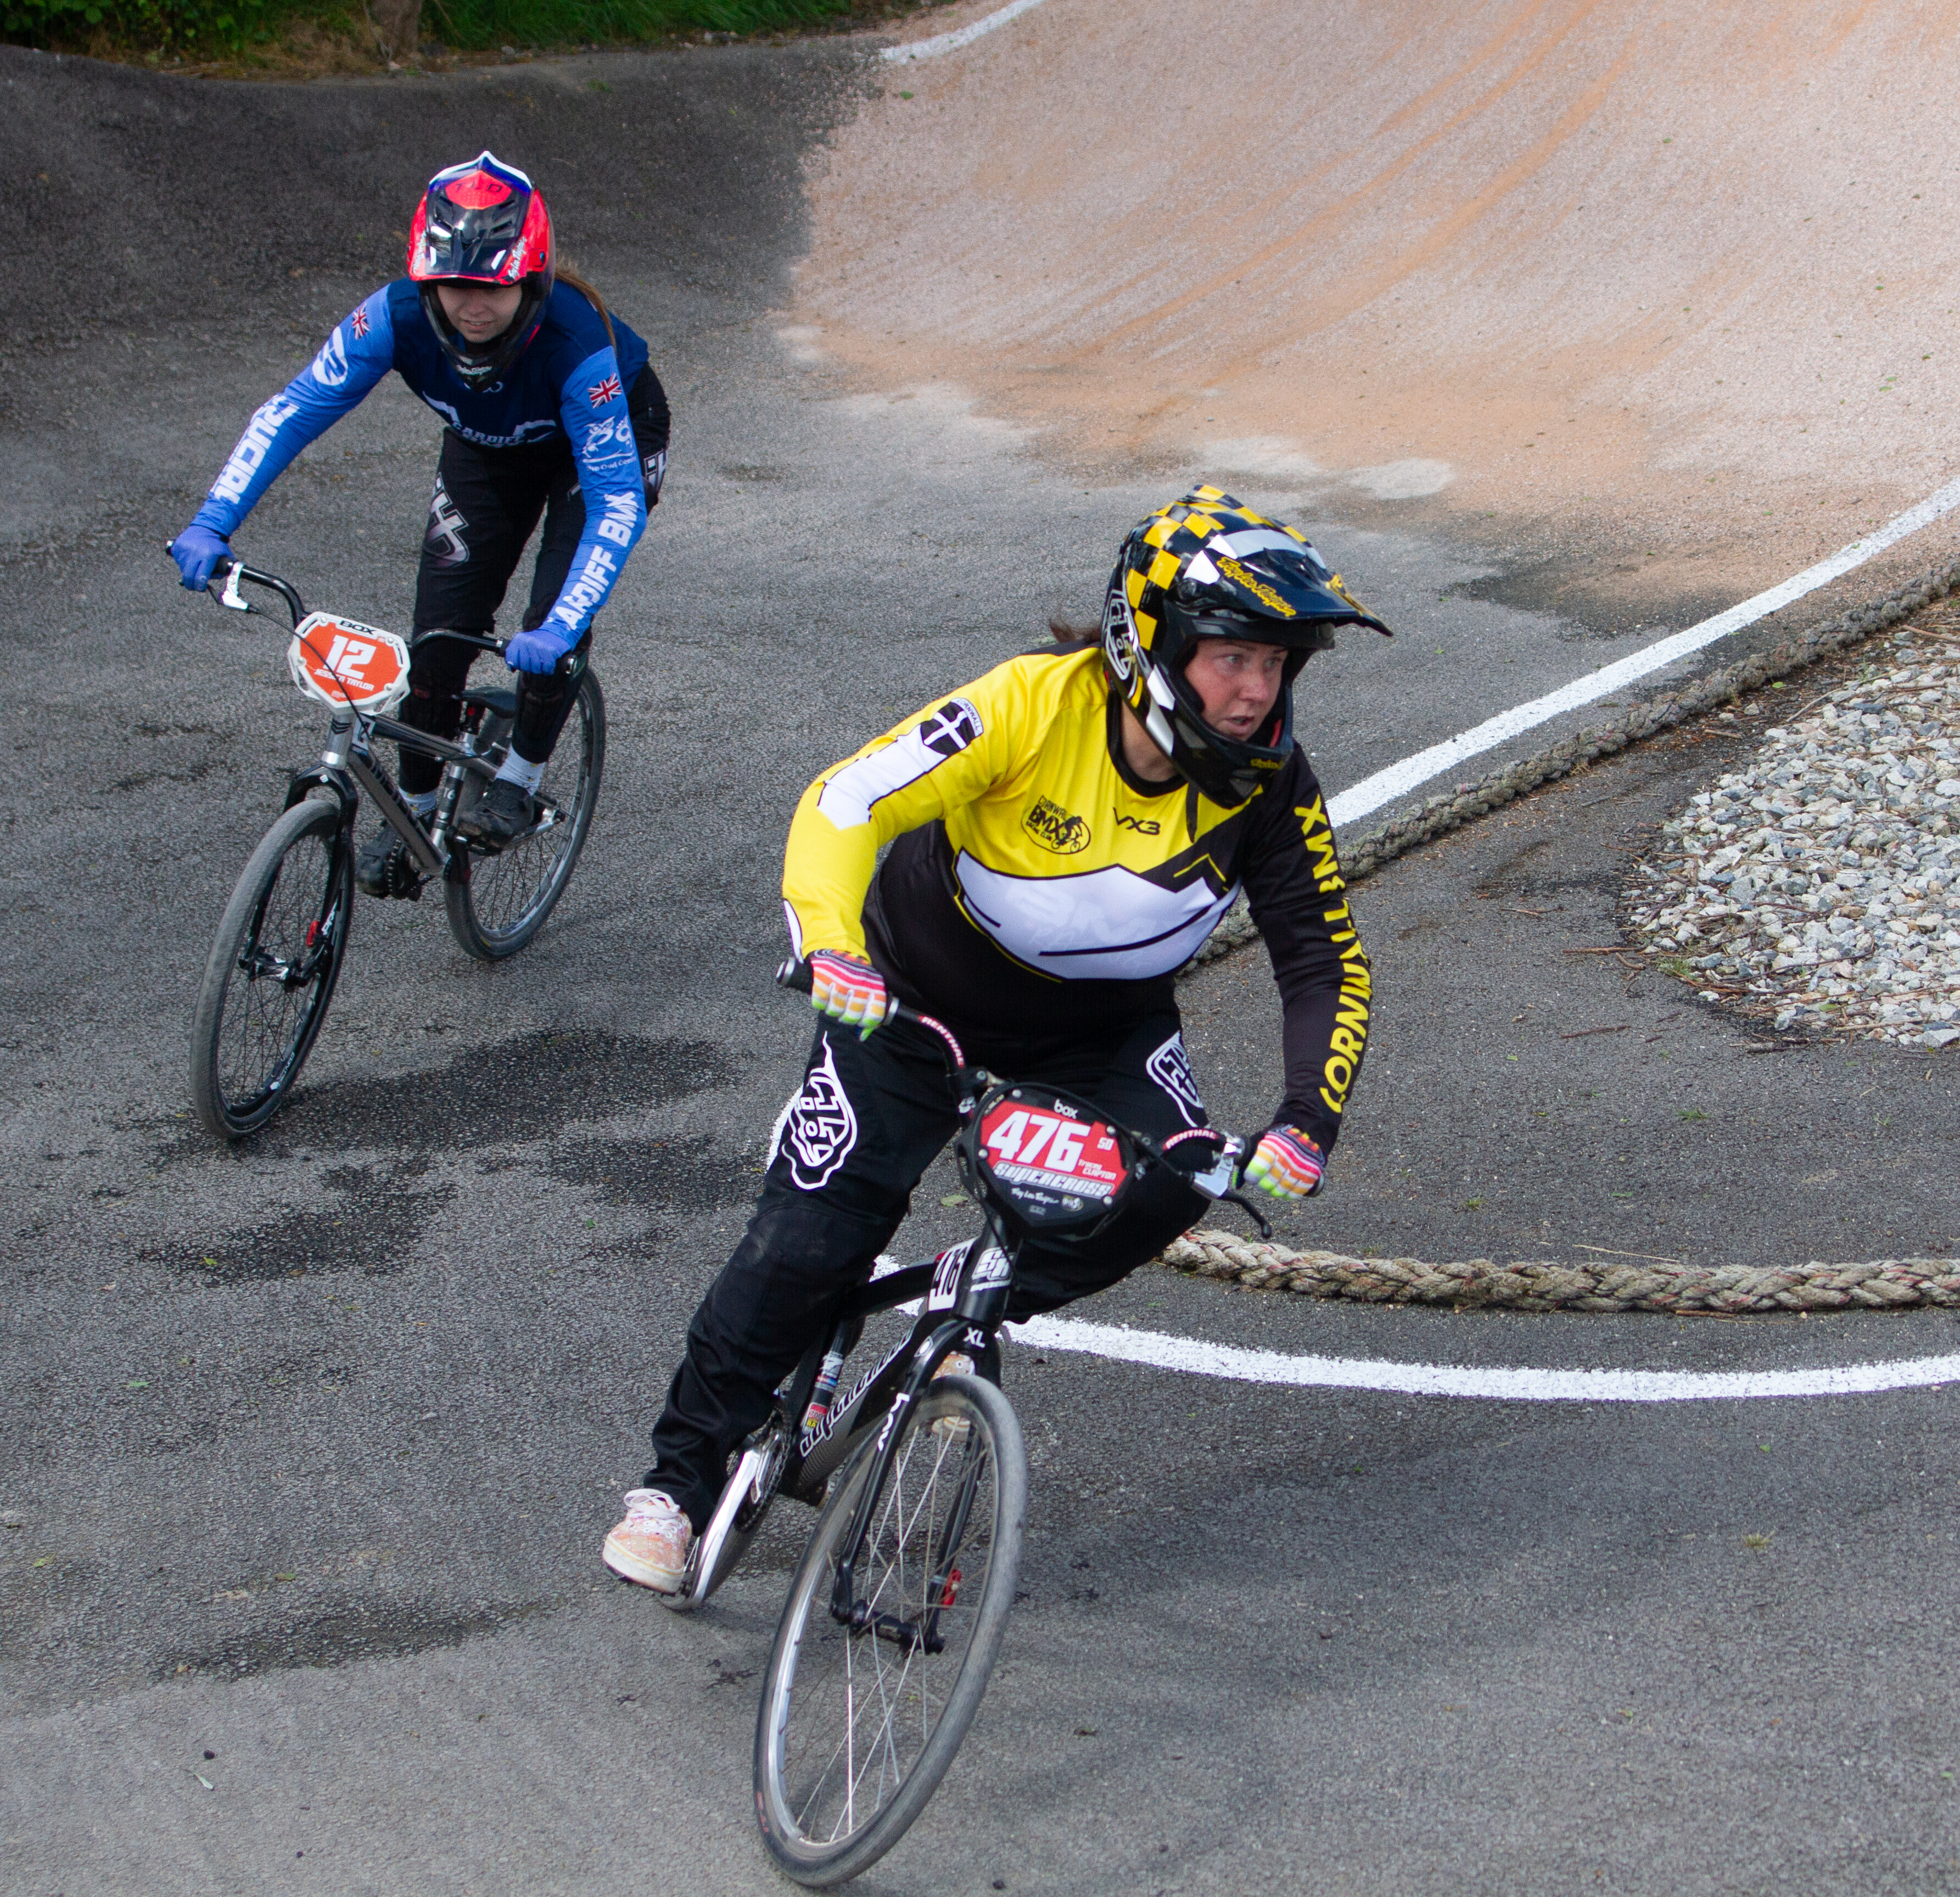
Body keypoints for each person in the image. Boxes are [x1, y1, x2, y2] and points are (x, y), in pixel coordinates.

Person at [603, 486, 1387, 1591]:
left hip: (1100, 1037)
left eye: (1279, 664)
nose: (1258, 691)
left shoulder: (1271, 787)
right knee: (809, 1239)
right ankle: (677, 1489)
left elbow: (1325, 960)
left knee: (1170, 1188)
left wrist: (1307, 1119)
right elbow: (846, 802)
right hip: (915, 1006)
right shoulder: (1030, 705)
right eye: (1233, 657)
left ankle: (972, 1294)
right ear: (1150, 640)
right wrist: (833, 951)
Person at [168, 151, 668, 893]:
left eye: (492, 288)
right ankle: (415, 807)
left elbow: (615, 500)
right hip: (488, 447)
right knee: (434, 643)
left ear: (529, 277)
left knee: (549, 617)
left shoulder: (574, 344)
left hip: (598, 450)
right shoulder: (393, 316)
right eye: (453, 285)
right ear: (425, 276)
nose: (471, 304)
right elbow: (294, 411)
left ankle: (522, 777)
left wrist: (560, 628)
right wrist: (213, 520)